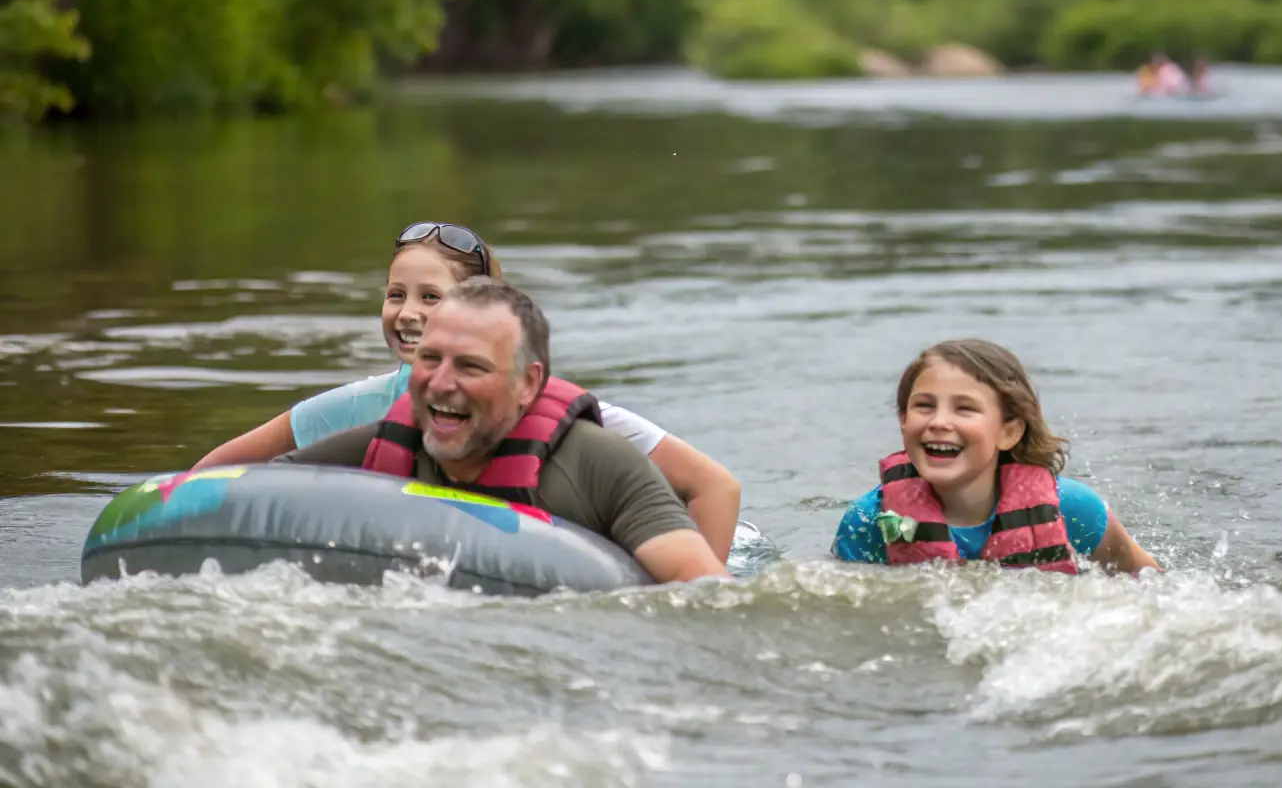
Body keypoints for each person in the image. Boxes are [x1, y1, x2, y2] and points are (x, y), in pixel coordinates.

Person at [194, 222, 742, 560]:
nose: (409, 314)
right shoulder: (357, 416)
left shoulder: (583, 439)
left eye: (431, 298)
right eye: (396, 295)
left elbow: (715, 487)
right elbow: (213, 477)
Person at [274, 279, 730, 585]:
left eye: (470, 366)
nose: (441, 382)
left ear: (527, 384)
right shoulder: (381, 448)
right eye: (430, 359)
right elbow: (240, 493)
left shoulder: (600, 466)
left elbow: (710, 600)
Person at [832, 339, 1159, 574]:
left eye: (965, 408)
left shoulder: (1074, 509)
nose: (939, 422)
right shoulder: (868, 522)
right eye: (924, 406)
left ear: (1009, 432)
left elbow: (1150, 585)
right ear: (903, 421)